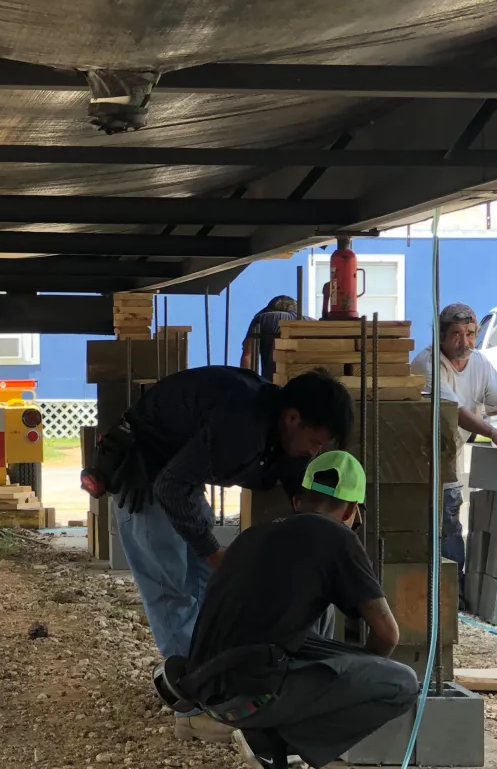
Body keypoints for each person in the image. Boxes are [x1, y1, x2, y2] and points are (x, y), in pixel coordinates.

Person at [83, 366, 353, 743]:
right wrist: (211, 551)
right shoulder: (242, 425)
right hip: (144, 478)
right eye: (314, 442)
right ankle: (193, 709)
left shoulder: (278, 429)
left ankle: (222, 690)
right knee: (172, 593)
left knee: (216, 588)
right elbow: (169, 488)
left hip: (179, 475)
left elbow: (299, 494)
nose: (315, 452)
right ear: (292, 418)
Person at [175, 451, 418, 769]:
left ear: (298, 501)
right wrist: (354, 679)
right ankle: (284, 748)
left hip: (206, 692)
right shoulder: (338, 537)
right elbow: (388, 635)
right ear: (350, 509)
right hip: (250, 696)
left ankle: (271, 739)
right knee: (401, 683)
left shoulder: (251, 536)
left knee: (321, 614)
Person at [412, 303, 497, 609]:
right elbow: (455, 413)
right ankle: (437, 600)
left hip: (448, 453)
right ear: (441, 336)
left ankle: (455, 598)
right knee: (429, 524)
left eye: (470, 333)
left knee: (450, 521)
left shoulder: (479, 363)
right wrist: (495, 433)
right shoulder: (428, 364)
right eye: (456, 334)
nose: (465, 342)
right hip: (418, 457)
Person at [241, 295, 301, 379]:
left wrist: (246, 382)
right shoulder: (310, 322)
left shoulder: (262, 318)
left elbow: (248, 355)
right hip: (303, 381)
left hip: (271, 382)